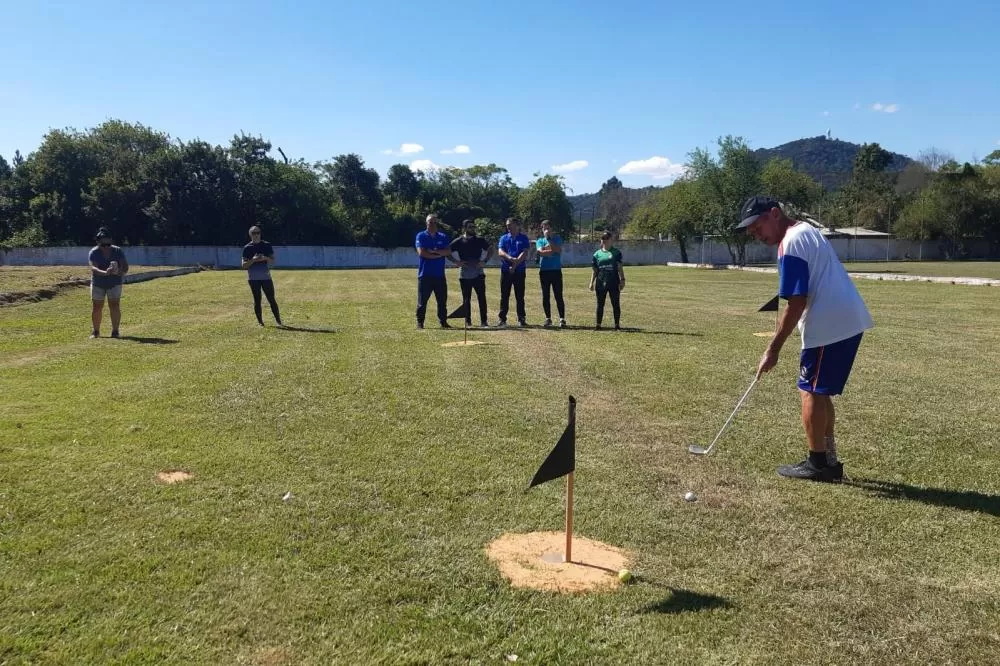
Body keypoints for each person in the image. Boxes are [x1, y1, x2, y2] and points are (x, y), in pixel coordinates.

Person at [739, 195, 874, 483]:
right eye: (751, 232)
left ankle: (818, 464)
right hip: (845, 319)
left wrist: (773, 349)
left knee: (809, 390)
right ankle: (829, 460)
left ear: (775, 214)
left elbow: (796, 302)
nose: (756, 234)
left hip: (828, 324)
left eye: (758, 227)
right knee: (818, 390)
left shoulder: (790, 243)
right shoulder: (806, 230)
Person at [449, 219, 492, 327]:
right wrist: (457, 262)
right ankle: (468, 322)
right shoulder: (458, 241)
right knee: (466, 299)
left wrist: (484, 261)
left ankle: (484, 321)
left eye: (473, 226)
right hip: (464, 275)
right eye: (470, 227)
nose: (473, 229)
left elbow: (491, 249)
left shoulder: (480, 240)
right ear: (464, 228)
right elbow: (447, 251)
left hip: (478, 273)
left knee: (482, 298)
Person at [88, 227, 129, 338]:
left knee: (115, 305)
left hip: (114, 283)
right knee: (97, 307)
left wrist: (119, 271)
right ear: (98, 242)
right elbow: (94, 268)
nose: (106, 247)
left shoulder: (118, 251)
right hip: (98, 283)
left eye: (108, 244)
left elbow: (125, 267)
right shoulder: (94, 252)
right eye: (103, 244)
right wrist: (105, 272)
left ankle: (115, 331)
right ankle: (96, 331)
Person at [415, 214, 453, 329]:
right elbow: (422, 253)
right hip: (425, 275)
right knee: (422, 301)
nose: (432, 225)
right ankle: (420, 322)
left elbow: (448, 251)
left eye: (434, 222)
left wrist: (433, 252)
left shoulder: (442, 236)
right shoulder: (421, 236)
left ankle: (443, 322)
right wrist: (438, 255)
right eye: (430, 222)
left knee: (442, 301)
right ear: (426, 223)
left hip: (439, 275)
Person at [241, 226, 283, 327]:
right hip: (253, 278)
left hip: (266, 277)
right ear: (250, 235)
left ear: (260, 233)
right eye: (254, 233)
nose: (256, 235)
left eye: (258, 232)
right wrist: (253, 260)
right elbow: (244, 265)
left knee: (271, 299)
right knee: (257, 300)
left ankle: (278, 321)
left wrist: (265, 258)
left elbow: (272, 261)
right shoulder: (247, 248)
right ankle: (260, 322)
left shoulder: (267, 245)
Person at [496, 217, 532, 327]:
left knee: (520, 295)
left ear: (516, 225)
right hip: (506, 270)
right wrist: (510, 258)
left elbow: (524, 253)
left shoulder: (523, 238)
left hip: (519, 271)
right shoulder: (504, 238)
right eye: (507, 225)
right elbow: (500, 251)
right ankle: (502, 319)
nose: (508, 226)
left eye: (510, 224)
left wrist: (515, 265)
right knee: (504, 295)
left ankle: (521, 318)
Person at [589, 231, 625, 330]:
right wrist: (591, 282)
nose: (604, 240)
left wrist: (622, 279)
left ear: (611, 239)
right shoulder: (597, 254)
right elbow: (595, 270)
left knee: (615, 303)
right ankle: (598, 325)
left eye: (606, 238)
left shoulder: (616, 253)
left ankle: (617, 325)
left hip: (613, 281)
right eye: (603, 238)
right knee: (600, 303)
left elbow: (619, 267)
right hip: (601, 281)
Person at [535, 219, 567, 328]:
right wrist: (551, 250)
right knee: (545, 295)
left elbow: (558, 250)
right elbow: (540, 252)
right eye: (544, 228)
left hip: (556, 270)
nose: (546, 230)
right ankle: (548, 318)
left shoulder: (557, 238)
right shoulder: (540, 240)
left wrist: (549, 241)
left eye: (548, 228)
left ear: (551, 228)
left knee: (558, 295)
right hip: (544, 271)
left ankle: (562, 318)